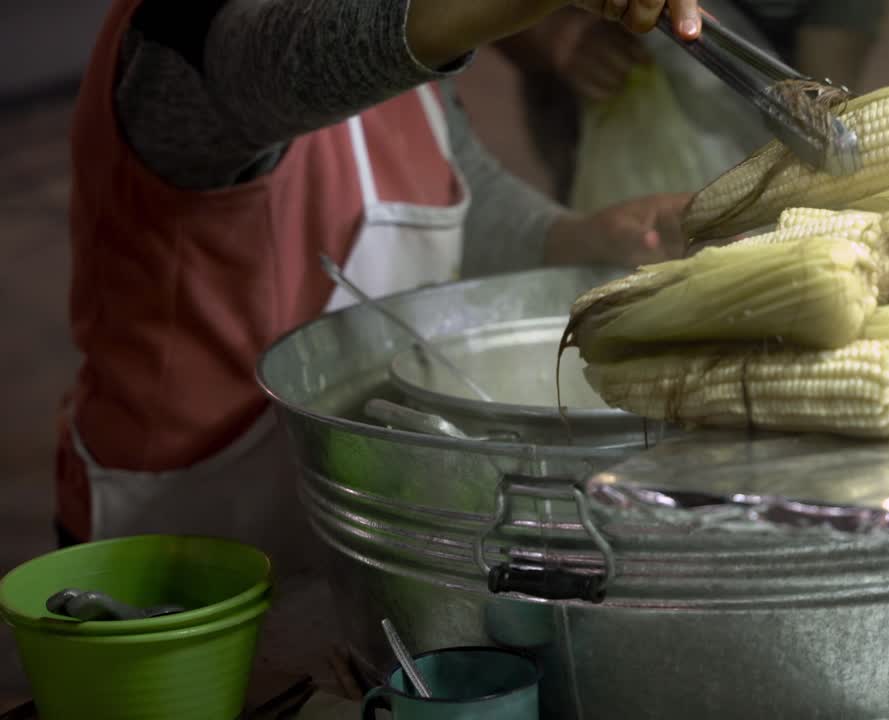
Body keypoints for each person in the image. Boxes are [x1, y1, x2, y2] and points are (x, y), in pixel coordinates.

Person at [54, 0, 705, 573]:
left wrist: (581, 238)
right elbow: (299, 62)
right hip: (181, 544)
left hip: (353, 512)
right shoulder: (176, 38)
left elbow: (455, 184)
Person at [500, 0, 887, 203]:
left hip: (758, 105)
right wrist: (553, 34)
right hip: (589, 97)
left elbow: (828, 66)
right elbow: (447, 24)